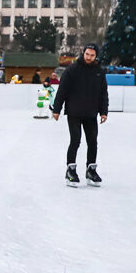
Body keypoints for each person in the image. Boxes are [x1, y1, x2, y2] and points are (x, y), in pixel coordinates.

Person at [51, 43, 109, 184]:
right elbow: (62, 90)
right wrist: (57, 109)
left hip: (91, 113)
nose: (89, 57)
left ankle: (91, 170)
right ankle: (70, 170)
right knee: (75, 141)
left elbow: (103, 93)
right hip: (74, 112)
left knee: (93, 142)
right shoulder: (72, 70)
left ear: (96, 56)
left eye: (92, 55)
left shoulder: (99, 72)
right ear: (83, 53)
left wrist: (103, 111)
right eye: (87, 54)